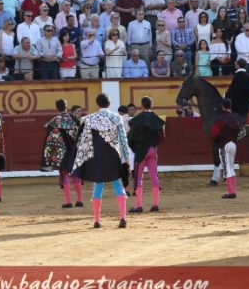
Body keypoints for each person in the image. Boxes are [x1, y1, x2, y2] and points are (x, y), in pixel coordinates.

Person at [72, 93, 130, 229]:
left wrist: (83, 156)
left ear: (98, 104)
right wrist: (126, 158)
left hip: (97, 156)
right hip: (113, 155)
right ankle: (123, 217)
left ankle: (97, 220)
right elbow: (123, 139)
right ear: (109, 103)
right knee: (117, 183)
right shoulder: (117, 118)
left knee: (98, 184)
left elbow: (84, 140)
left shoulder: (89, 119)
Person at [41, 99, 82, 208]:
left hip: (62, 152)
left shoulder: (55, 121)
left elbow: (51, 139)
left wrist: (51, 153)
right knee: (76, 175)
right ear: (66, 106)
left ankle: (68, 202)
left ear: (57, 108)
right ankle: (79, 200)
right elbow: (79, 134)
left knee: (65, 175)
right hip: (74, 150)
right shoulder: (73, 119)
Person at [127, 96, 165, 213]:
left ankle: (139, 205)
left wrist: (135, 148)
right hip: (153, 150)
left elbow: (130, 137)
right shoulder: (156, 119)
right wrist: (153, 144)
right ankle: (155, 204)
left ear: (142, 105)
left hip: (141, 151)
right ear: (151, 105)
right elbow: (162, 136)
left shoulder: (137, 119)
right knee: (154, 177)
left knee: (138, 178)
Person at [211, 98, 244, 199]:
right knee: (231, 167)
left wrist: (218, 140)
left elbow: (214, 133)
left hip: (224, 145)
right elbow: (242, 132)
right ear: (231, 106)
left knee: (227, 168)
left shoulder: (220, 118)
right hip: (233, 144)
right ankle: (232, 190)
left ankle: (231, 192)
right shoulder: (236, 117)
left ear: (222, 107)